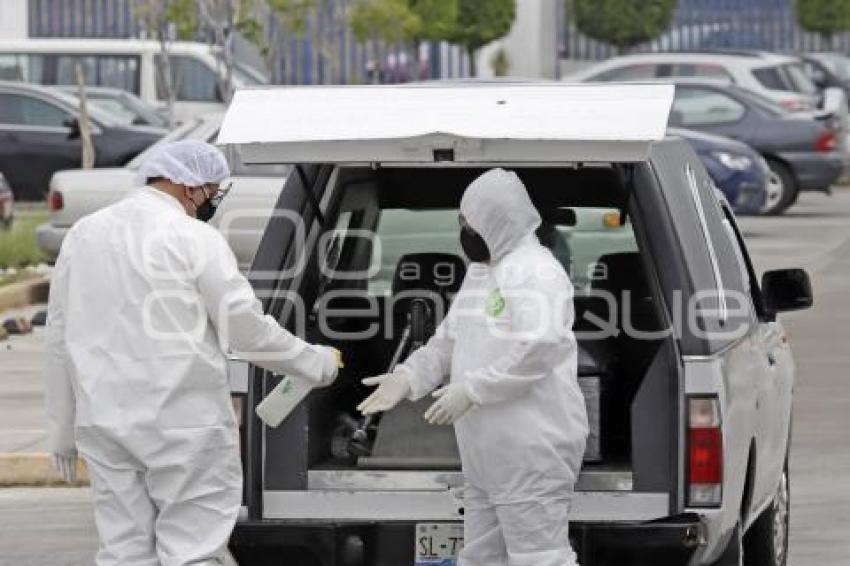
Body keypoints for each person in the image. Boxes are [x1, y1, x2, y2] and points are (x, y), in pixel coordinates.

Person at [44, 140, 340, 565]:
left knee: (124, 552)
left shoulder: (83, 235)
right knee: (194, 551)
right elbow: (246, 329)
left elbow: (58, 336)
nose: (213, 201)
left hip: (105, 424)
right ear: (189, 186)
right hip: (182, 426)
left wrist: (61, 428)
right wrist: (317, 362)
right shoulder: (193, 237)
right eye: (213, 190)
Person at [358, 168, 589, 566]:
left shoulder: (537, 271)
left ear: (497, 221)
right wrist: (408, 377)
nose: (464, 230)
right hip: (486, 450)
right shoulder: (483, 273)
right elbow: (448, 340)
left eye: (470, 222)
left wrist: (474, 389)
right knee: (481, 557)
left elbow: (541, 346)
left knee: (540, 558)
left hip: (530, 448)